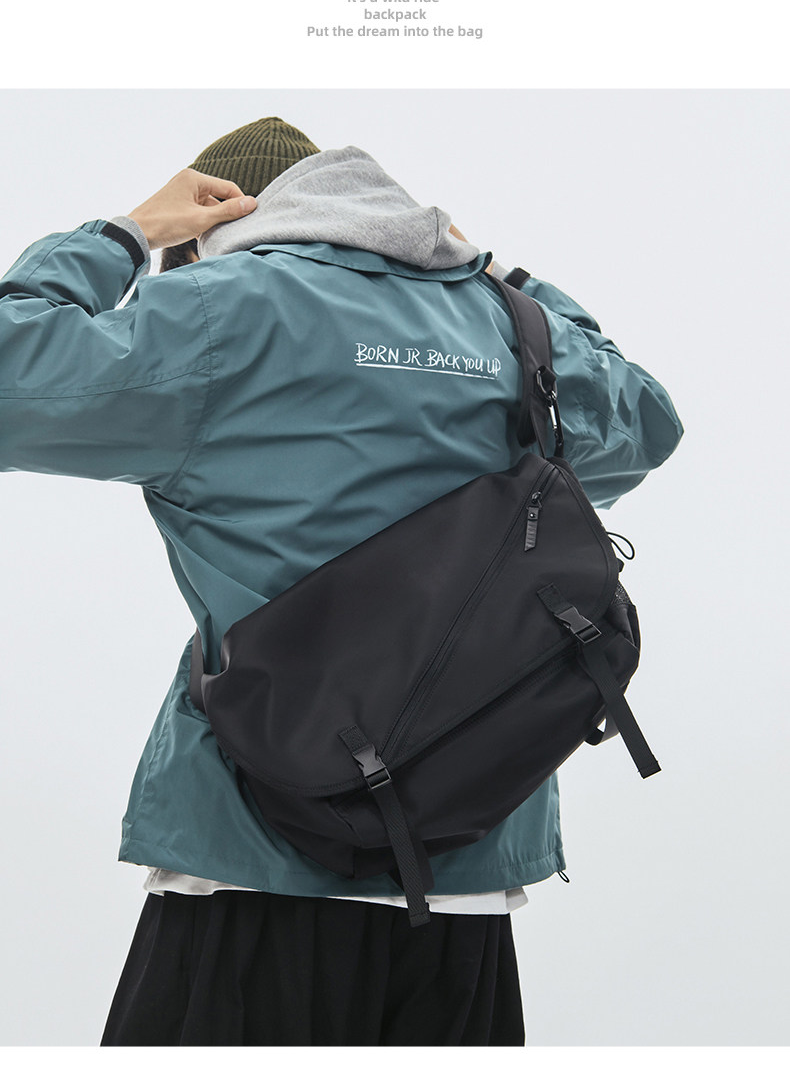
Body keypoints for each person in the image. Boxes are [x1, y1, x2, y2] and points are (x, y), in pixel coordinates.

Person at [0, 117, 683, 1046]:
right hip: (468, 880)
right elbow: (646, 422)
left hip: (255, 864)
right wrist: (498, 277)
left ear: (218, 225)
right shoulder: (505, 325)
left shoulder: (216, 313)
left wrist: (125, 233)